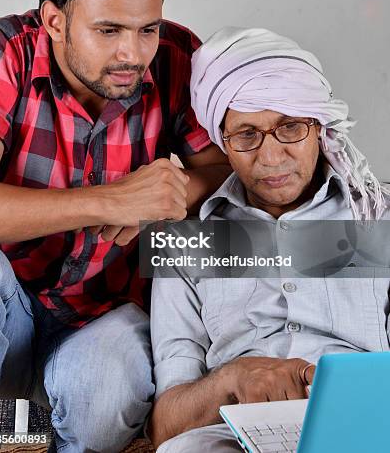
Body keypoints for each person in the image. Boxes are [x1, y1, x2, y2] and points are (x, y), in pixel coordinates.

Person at [0, 0, 230, 453]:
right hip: (6, 301)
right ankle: (9, 431)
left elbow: (223, 171)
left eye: (147, 29)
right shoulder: (5, 50)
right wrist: (109, 200)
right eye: (109, 30)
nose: (133, 54)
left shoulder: (177, 57)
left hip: (101, 305)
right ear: (54, 21)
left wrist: (166, 194)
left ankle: (29, 431)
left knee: (102, 405)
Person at [149, 27, 390, 452]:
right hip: (232, 435)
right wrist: (233, 379)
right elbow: (167, 424)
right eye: (246, 135)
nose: (271, 157)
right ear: (222, 142)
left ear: (320, 127)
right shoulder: (185, 240)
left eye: (290, 127)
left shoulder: (378, 217)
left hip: (366, 427)